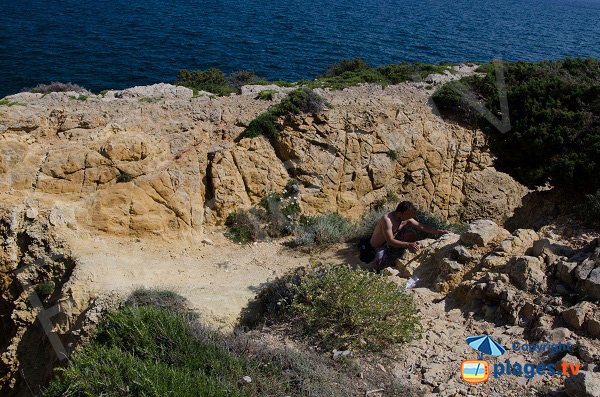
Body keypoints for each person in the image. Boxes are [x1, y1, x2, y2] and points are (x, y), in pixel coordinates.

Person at [369, 201, 448, 271]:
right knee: (379, 264)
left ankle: (402, 255)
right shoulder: (387, 220)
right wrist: (408, 244)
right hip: (379, 246)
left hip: (393, 239)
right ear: (399, 213)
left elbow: (422, 227)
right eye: (409, 215)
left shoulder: (405, 217)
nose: (411, 217)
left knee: (410, 235)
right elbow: (390, 241)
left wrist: (439, 231)